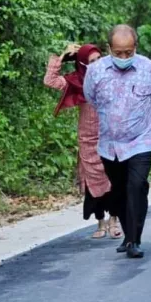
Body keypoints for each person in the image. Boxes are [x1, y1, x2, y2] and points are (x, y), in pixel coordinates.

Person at [83, 25, 151, 258]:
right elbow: (91, 98)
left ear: (135, 48)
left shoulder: (150, 69)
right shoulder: (95, 71)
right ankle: (129, 234)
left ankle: (133, 240)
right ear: (109, 48)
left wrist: (138, 118)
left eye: (128, 52)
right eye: (118, 53)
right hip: (110, 144)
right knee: (118, 191)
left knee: (136, 186)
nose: (123, 57)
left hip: (141, 140)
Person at [44, 44, 121, 240]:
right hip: (88, 139)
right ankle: (101, 222)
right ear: (82, 63)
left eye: (98, 60)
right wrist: (61, 55)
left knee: (113, 180)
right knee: (92, 182)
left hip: (111, 136)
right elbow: (50, 80)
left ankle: (114, 220)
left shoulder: (111, 77)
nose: (96, 65)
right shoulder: (77, 81)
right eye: (91, 61)